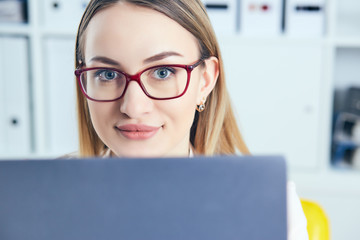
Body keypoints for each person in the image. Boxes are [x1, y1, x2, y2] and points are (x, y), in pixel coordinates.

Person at [73, 0, 308, 239]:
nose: (133, 107)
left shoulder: (270, 206)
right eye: (107, 74)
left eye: (163, 72)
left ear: (205, 81)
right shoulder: (46, 198)